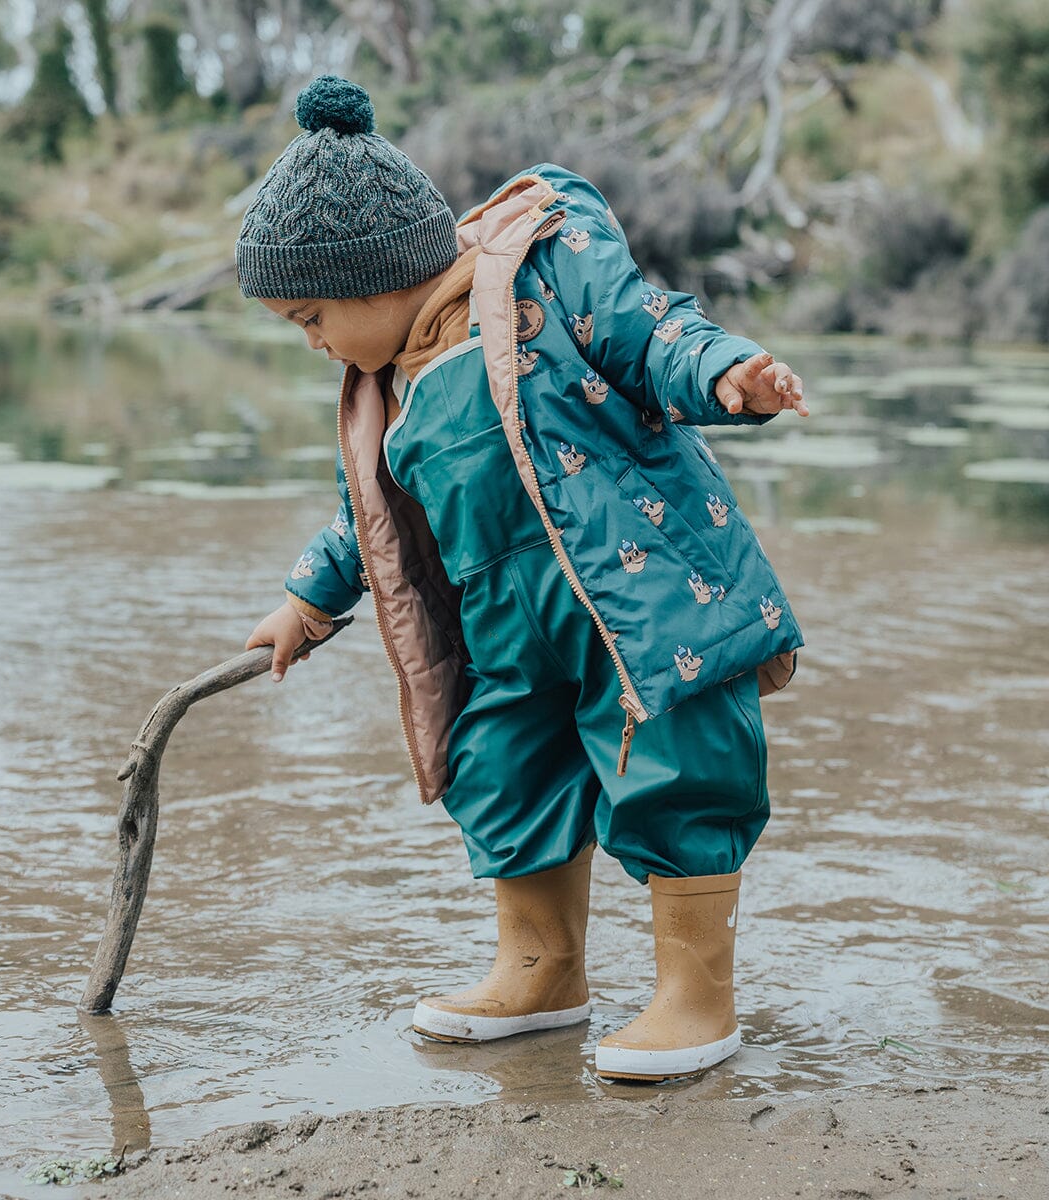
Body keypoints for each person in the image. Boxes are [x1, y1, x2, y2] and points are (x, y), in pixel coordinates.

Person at [239, 74, 806, 1083]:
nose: (315, 343)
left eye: (311, 317)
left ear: (374, 276)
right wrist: (304, 603)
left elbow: (648, 327)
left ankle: (693, 995)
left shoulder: (541, 277)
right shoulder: (385, 393)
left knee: (675, 768)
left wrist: (726, 373)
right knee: (499, 771)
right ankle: (542, 970)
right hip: (507, 632)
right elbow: (363, 521)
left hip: (639, 602)